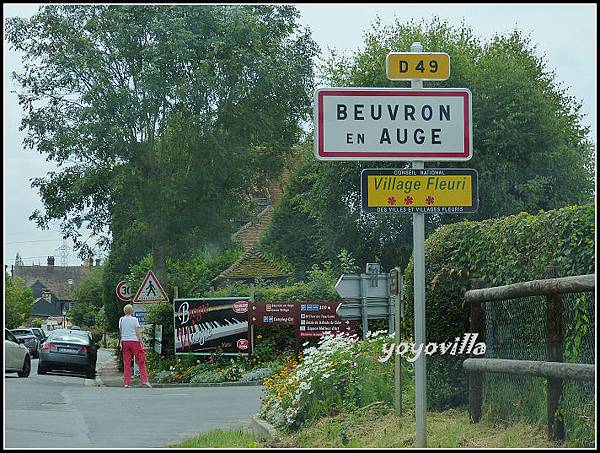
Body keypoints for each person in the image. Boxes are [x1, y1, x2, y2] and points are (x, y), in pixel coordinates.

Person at [118, 304, 152, 388]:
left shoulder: (121, 319)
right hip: (135, 342)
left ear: (124, 311)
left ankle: (126, 383)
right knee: (141, 361)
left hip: (125, 342)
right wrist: (141, 342)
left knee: (127, 363)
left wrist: (120, 343)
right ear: (132, 311)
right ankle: (145, 380)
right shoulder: (135, 320)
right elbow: (137, 332)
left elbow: (121, 332)